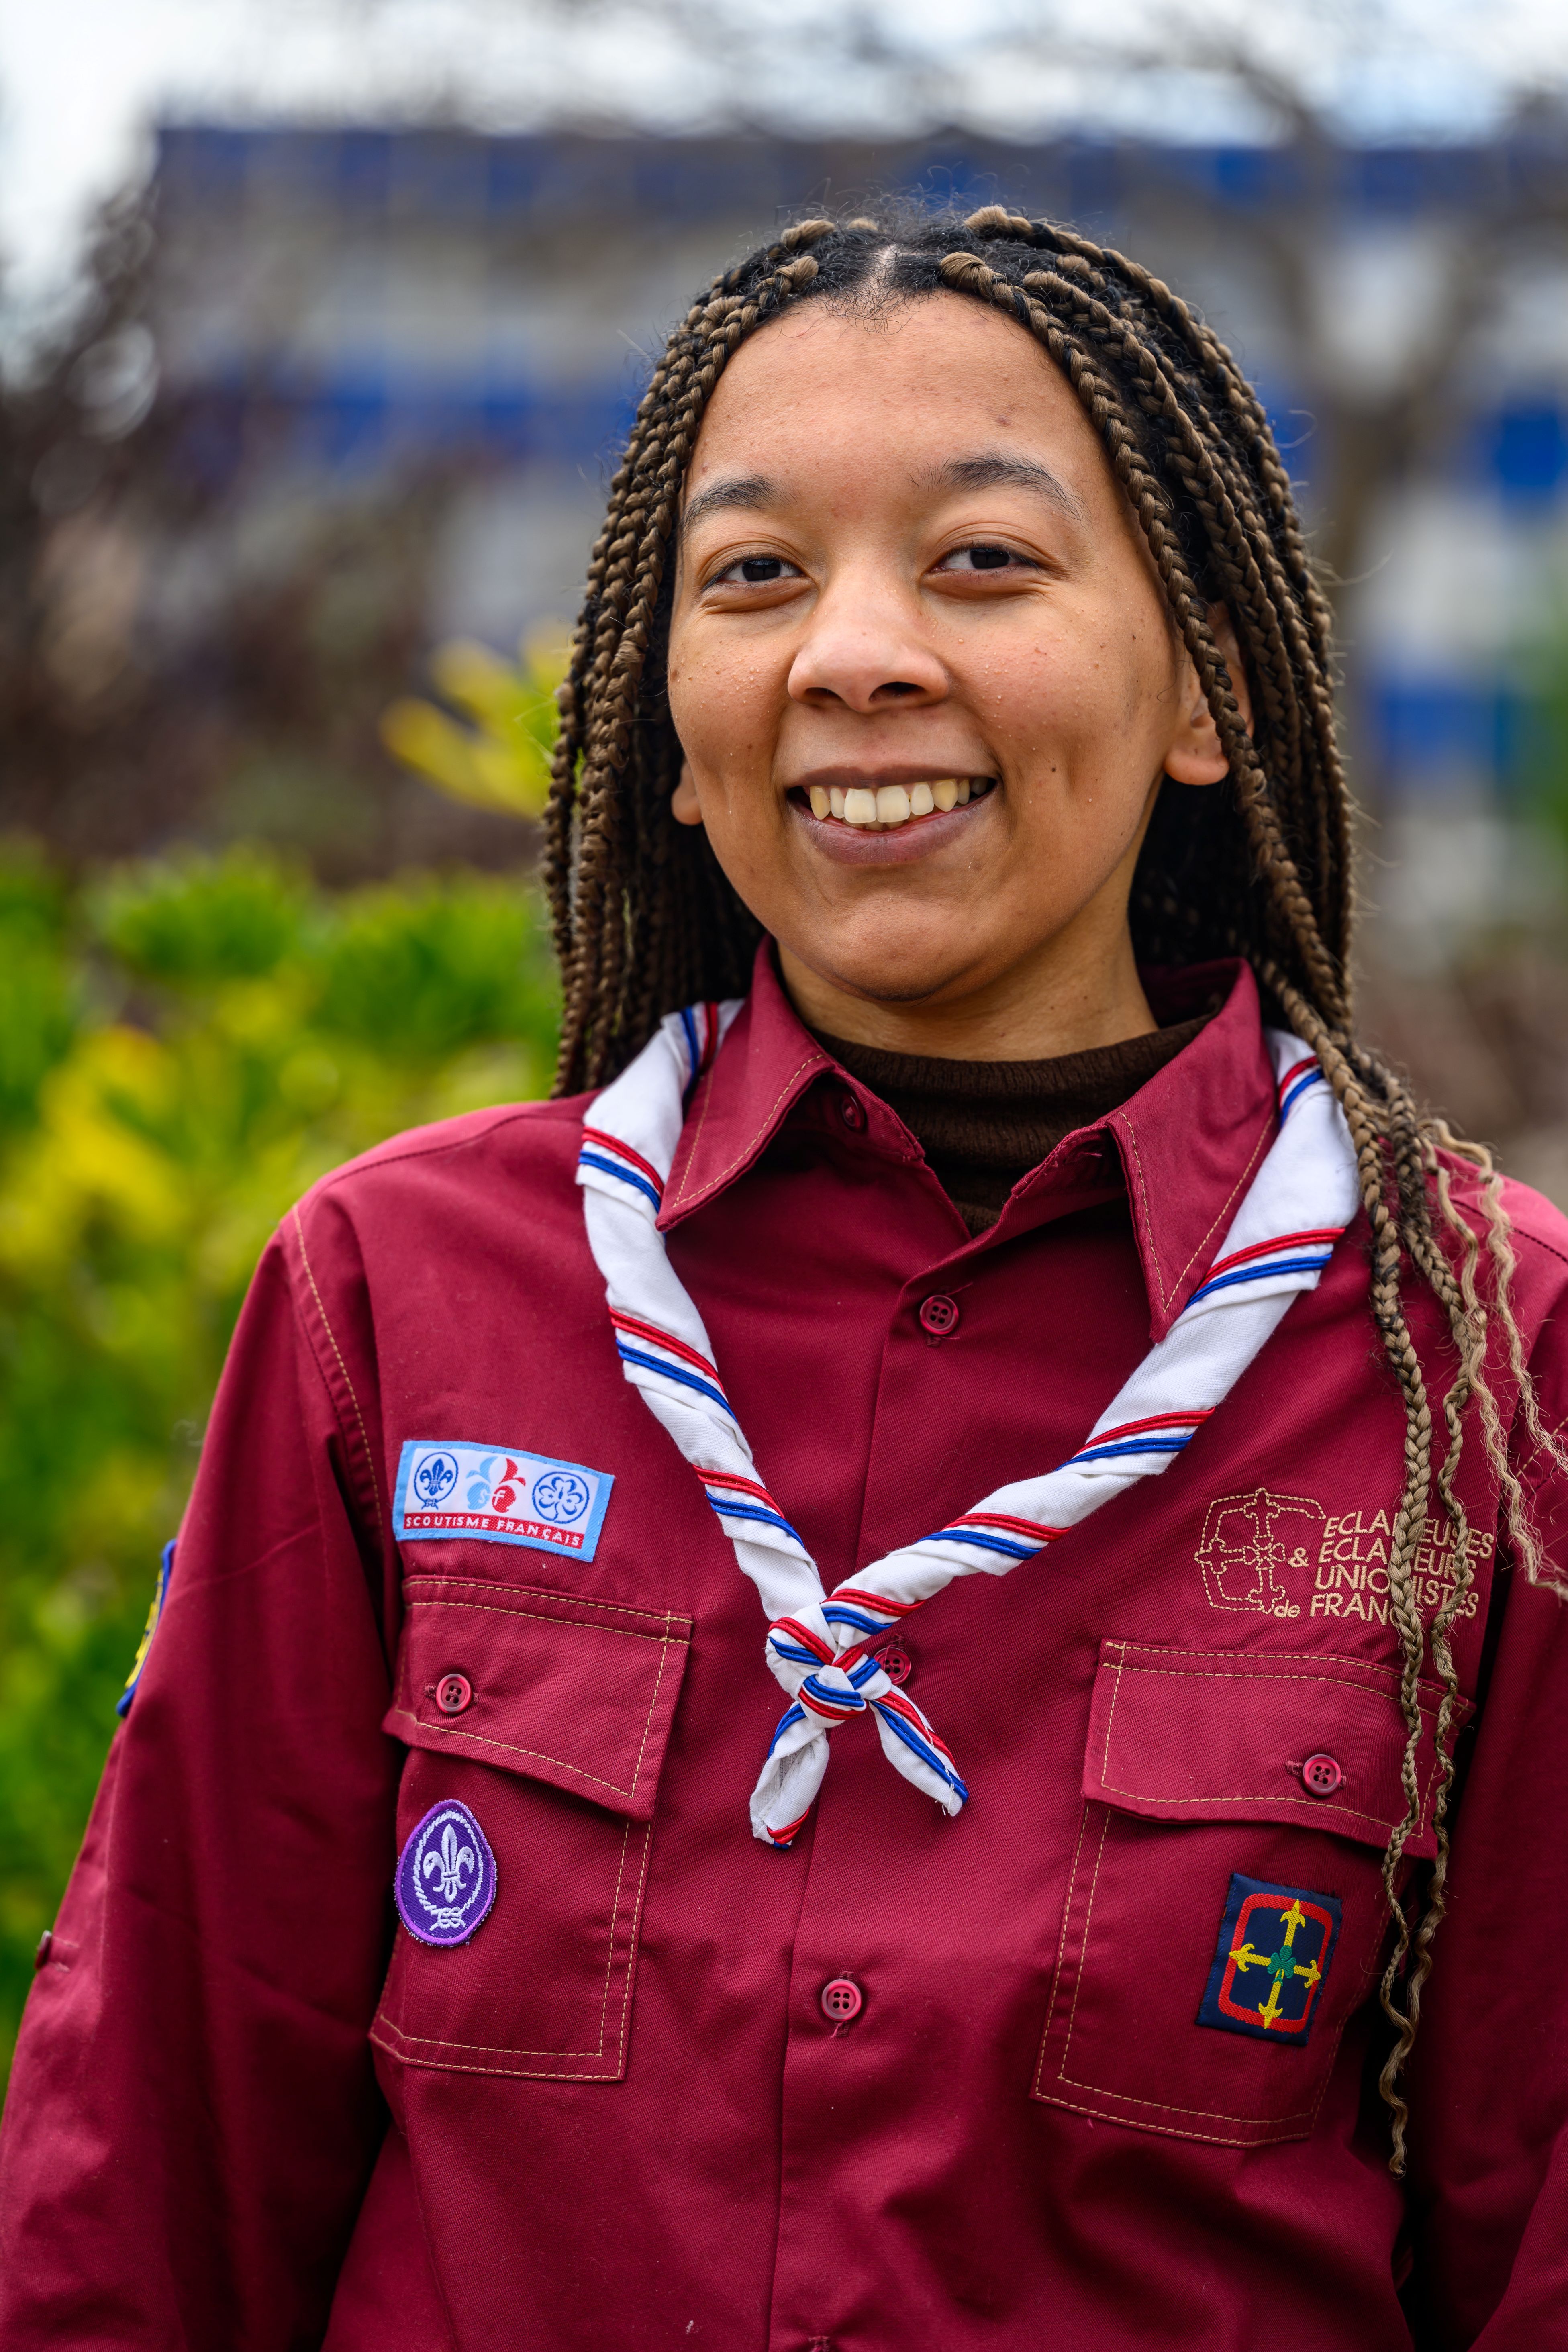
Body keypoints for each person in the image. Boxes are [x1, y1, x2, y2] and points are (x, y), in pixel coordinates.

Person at [2, 205, 1566, 2352]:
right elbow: (142, 2185)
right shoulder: (403, 1297)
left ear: (1205, 683)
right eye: (753, 578)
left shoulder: (1494, 1366)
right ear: (664, 719)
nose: (852, 654)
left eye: (983, 563)